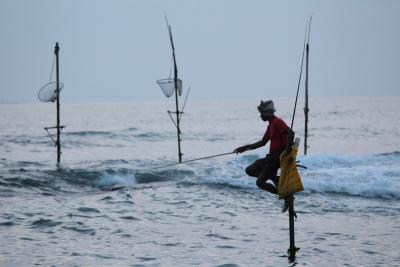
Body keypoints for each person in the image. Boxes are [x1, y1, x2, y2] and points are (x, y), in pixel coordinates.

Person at [234, 100, 294, 211]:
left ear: (267, 113)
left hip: (276, 159)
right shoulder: (270, 125)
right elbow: (262, 143)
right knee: (250, 170)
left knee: (260, 182)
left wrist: (287, 151)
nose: (260, 116)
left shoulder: (277, 122)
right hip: (270, 158)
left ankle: (285, 195)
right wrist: (244, 148)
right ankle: (275, 179)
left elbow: (291, 133)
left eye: (261, 113)